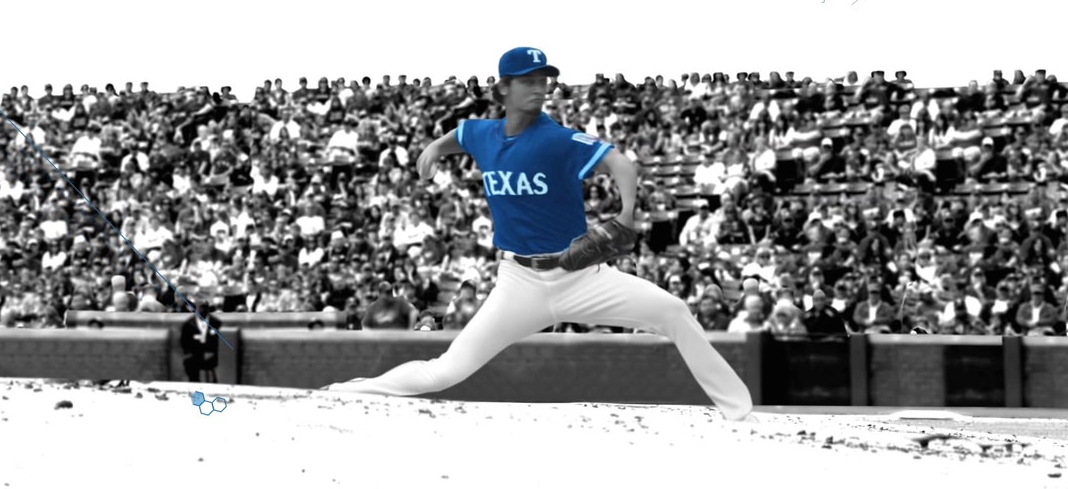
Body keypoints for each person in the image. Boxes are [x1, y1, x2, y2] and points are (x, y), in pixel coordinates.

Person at [319, 47, 757, 422]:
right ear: (503, 88)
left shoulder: (556, 139)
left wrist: (626, 215)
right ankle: (344, 393)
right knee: (446, 371)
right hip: (519, 283)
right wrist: (435, 146)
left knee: (674, 311)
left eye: (543, 80)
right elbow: (462, 135)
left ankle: (738, 410)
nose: (539, 87)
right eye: (527, 80)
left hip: (580, 276)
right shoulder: (483, 133)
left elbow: (621, 164)